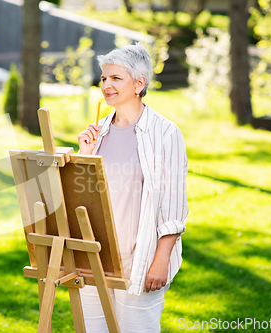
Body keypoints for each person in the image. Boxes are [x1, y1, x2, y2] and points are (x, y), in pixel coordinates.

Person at [77, 43, 188, 333]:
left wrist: (160, 261)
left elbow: (173, 206)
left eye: (116, 78)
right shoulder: (97, 132)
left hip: (139, 258)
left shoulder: (165, 133)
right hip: (95, 257)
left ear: (139, 84)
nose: (106, 85)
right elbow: (83, 195)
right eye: (103, 78)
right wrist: (84, 156)